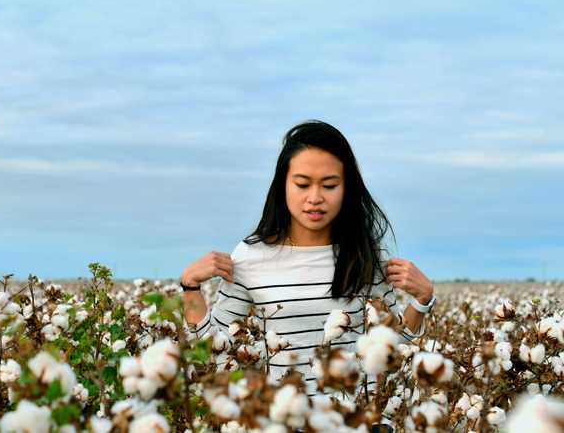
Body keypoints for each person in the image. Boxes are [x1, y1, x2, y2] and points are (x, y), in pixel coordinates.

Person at [180, 120, 436, 426]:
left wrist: (422, 299)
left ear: (346, 188)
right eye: (302, 184)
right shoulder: (251, 256)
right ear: (283, 185)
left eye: (329, 185)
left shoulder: (365, 255)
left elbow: (392, 349)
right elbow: (215, 352)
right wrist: (190, 287)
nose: (315, 197)